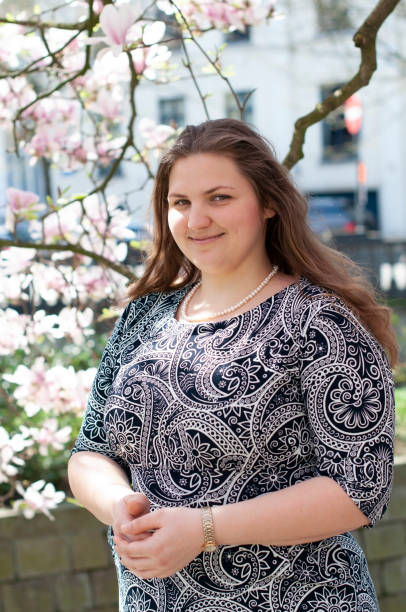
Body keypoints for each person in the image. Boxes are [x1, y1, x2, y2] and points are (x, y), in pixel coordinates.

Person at [68, 118, 397, 612]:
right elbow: (90, 453)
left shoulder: (320, 320)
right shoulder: (144, 315)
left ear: (268, 204)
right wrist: (120, 504)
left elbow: (359, 489)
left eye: (219, 197)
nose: (196, 219)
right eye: (181, 203)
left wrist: (203, 530)